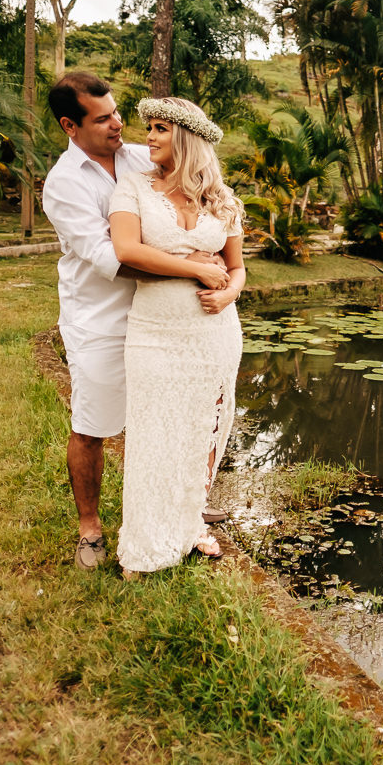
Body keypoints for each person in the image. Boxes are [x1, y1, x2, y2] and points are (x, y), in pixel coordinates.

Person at [43, 73, 228, 572]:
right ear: (70, 125)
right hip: (100, 318)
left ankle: (178, 513)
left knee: (174, 417)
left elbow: (189, 187)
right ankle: (90, 529)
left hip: (163, 320)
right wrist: (191, 267)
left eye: (117, 112)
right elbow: (114, 257)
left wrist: (216, 269)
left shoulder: (138, 155)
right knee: (93, 424)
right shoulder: (63, 184)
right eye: (103, 119)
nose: (119, 125)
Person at [108, 97, 245, 576]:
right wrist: (194, 270)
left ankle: (190, 526)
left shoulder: (222, 200)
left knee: (203, 431)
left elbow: (237, 269)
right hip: (156, 331)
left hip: (215, 333)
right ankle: (144, 548)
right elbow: (128, 250)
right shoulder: (134, 188)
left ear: (185, 138)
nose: (148, 136)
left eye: (159, 128)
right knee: (152, 434)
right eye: (149, 127)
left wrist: (228, 295)